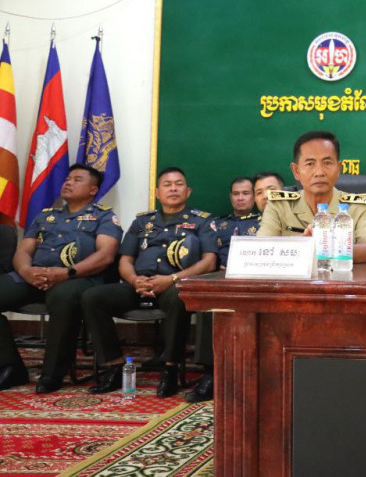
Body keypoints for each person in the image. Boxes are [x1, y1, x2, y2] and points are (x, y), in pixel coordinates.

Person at [83, 167, 218, 398]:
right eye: (167, 184)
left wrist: (171, 279)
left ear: (188, 191)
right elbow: (125, 260)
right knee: (92, 298)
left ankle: (170, 369)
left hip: (174, 284)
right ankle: (114, 366)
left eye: (178, 184)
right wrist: (134, 279)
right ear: (157, 192)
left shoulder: (202, 221)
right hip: (139, 285)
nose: (173, 188)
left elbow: (209, 262)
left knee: (178, 297)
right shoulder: (142, 222)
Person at [0, 165, 122, 393]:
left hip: (78, 279)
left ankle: (52, 373)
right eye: (67, 178)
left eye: (77, 179)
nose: (68, 182)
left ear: (93, 190)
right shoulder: (46, 216)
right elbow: (23, 250)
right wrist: (26, 271)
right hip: (35, 276)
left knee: (63, 297)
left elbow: (105, 256)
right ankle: (10, 366)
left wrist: (67, 273)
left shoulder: (104, 216)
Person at [186, 176, 263, 403]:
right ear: (230, 197)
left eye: (246, 193)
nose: (240, 198)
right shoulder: (216, 224)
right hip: (221, 277)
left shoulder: (266, 222)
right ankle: (210, 372)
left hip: (253, 278)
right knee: (206, 302)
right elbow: (208, 255)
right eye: (236, 194)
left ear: (254, 196)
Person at [257, 131, 366, 263]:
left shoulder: (361, 206)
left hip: (343, 275)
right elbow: (260, 249)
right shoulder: (278, 206)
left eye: (327, 163)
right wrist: (304, 248)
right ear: (296, 171)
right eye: (310, 164)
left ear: (338, 168)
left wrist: (327, 248)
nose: (319, 172)